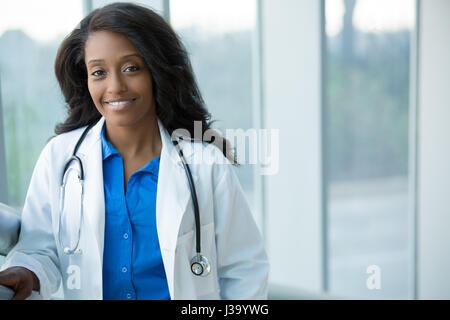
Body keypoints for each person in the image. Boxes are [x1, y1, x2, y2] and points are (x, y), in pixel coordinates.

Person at [0, 2, 269, 300]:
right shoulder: (60, 158)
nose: (115, 86)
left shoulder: (205, 165)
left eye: (131, 68)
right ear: (85, 78)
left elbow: (245, 270)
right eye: (99, 72)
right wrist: (27, 272)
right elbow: (39, 249)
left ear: (157, 71)